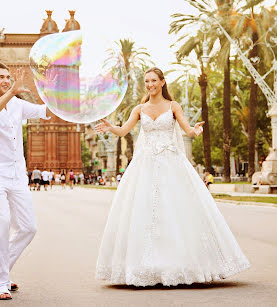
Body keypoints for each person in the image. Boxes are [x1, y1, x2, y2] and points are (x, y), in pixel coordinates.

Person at [94, 67, 250, 286]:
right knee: (145, 212)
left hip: (172, 163)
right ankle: (146, 267)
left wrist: (196, 131)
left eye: (154, 80)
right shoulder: (139, 109)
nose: (150, 85)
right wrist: (111, 127)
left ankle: (180, 265)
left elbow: (187, 131)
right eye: (147, 81)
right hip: (145, 165)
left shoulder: (173, 106)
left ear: (162, 82)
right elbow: (124, 131)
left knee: (175, 211)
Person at [0, 62, 50, 300]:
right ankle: (0, 283)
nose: (6, 80)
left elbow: (45, 111)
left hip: (16, 173)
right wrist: (12, 92)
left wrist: (60, 98)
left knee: (28, 227)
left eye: (9, 77)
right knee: (1, 223)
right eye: (1, 77)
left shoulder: (17, 104)